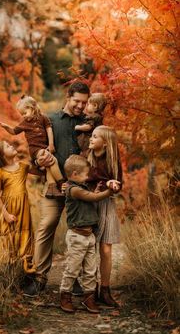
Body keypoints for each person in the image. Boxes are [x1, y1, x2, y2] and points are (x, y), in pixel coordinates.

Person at [23, 81, 90, 297]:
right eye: (77, 101)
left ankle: (77, 278)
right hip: (53, 185)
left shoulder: (88, 123)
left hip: (80, 190)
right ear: (68, 97)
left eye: (85, 102)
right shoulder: (50, 120)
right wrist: (39, 159)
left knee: (80, 231)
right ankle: (40, 277)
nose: (81, 106)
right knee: (46, 226)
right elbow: (35, 150)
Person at [60, 155, 119, 314]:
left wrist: (97, 190)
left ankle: (88, 297)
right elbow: (92, 197)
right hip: (77, 236)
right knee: (72, 268)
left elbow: (91, 198)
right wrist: (107, 191)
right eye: (86, 174)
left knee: (90, 269)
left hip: (89, 236)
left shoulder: (83, 187)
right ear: (74, 174)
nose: (88, 177)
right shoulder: (74, 190)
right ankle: (65, 295)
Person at [0, 140, 35, 273]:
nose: (11, 145)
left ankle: (22, 270)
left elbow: (39, 168)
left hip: (23, 210)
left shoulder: (23, 166)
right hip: (7, 209)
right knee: (7, 236)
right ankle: (4, 272)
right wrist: (5, 214)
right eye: (7, 146)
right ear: (1, 155)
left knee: (23, 234)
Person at [0, 95, 65, 198]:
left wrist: (51, 144)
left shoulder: (43, 118)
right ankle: (62, 183)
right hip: (35, 149)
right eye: (21, 114)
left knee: (48, 166)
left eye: (24, 113)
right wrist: (7, 127)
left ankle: (52, 188)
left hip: (45, 147)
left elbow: (49, 130)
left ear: (32, 108)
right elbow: (14, 131)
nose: (23, 116)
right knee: (52, 160)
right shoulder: (24, 123)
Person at [86, 125, 123, 307]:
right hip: (89, 205)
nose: (91, 139)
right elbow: (87, 177)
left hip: (106, 205)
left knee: (106, 250)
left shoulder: (113, 160)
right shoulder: (87, 157)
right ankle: (90, 289)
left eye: (95, 137)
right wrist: (104, 181)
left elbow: (119, 182)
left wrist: (114, 184)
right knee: (90, 248)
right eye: (91, 136)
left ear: (106, 143)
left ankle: (105, 290)